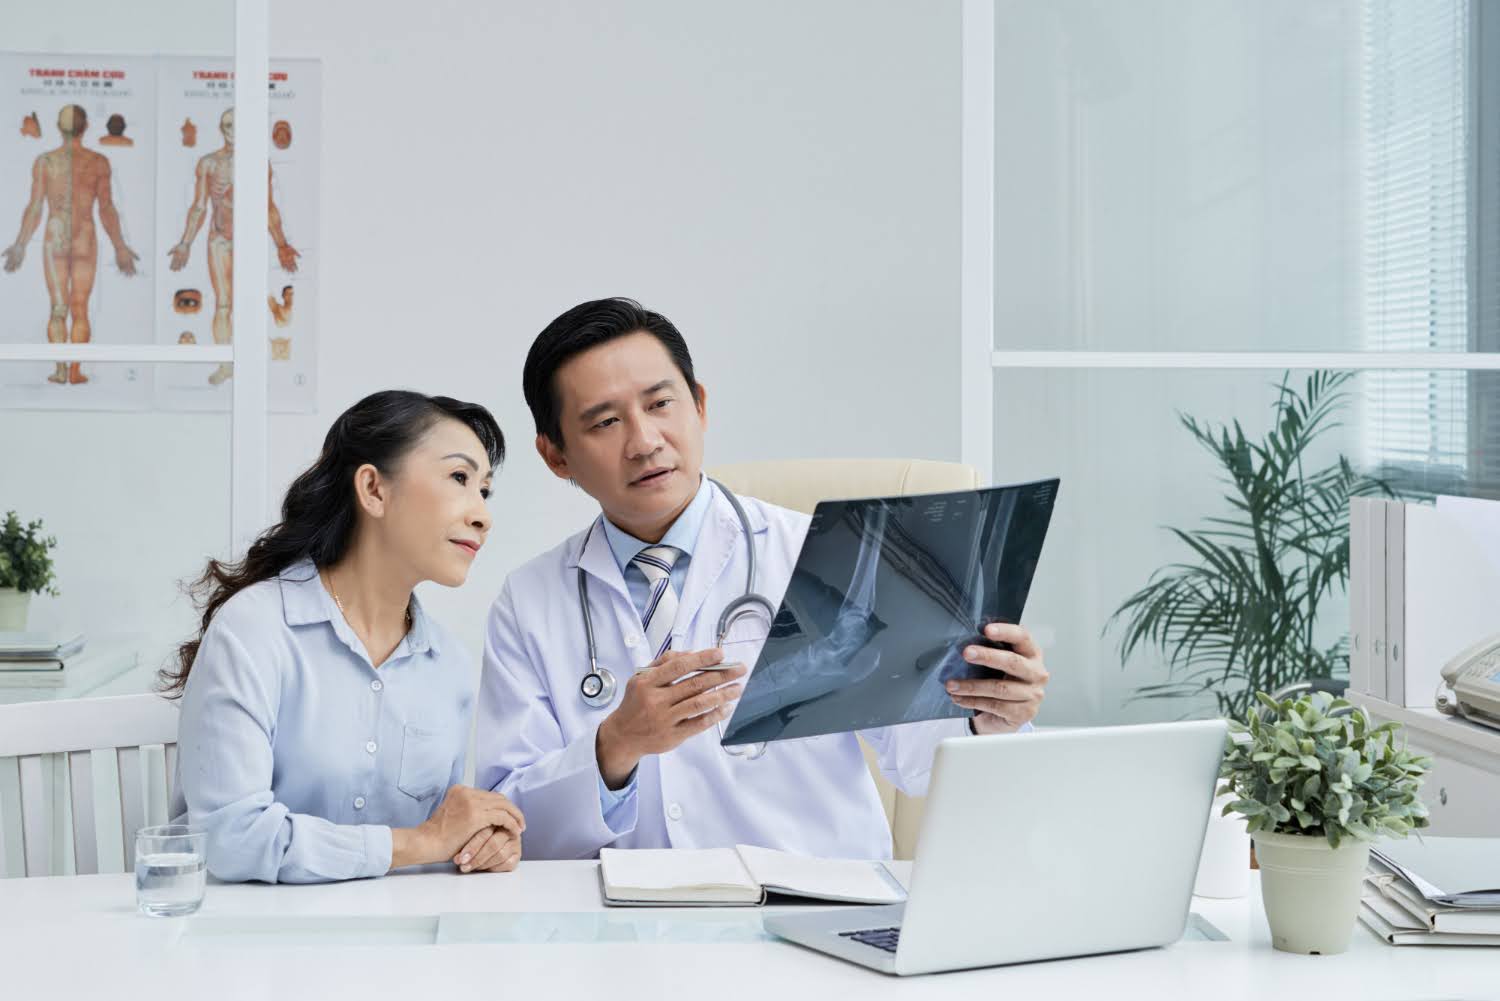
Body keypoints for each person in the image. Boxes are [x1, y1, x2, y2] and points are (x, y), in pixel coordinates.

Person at [476, 298, 1049, 860]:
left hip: (812, 901)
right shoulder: (529, 601)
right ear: (556, 456)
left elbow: (923, 760)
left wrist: (991, 714)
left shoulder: (828, 556)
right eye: (606, 422)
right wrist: (616, 744)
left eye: (660, 404)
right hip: (620, 912)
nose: (644, 441)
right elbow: (508, 823)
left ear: (699, 405)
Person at [166, 390, 525, 883]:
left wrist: (479, 843)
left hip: (398, 926)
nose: (482, 515)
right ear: (374, 489)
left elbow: (440, 839)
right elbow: (230, 838)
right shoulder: (253, 629)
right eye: (459, 478)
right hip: (249, 927)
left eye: (484, 491)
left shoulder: (450, 665)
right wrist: (423, 842)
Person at [2, 105, 139, 385]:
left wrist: (20, 244)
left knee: (58, 307)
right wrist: (120, 247)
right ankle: (75, 370)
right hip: (84, 237)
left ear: (57, 126)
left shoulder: (45, 161)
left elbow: (35, 207)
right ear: (85, 127)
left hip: (55, 237)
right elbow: (106, 208)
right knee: (79, 308)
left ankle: (60, 370)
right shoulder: (98, 162)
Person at [167, 107, 300, 385]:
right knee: (223, 303)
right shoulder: (208, 163)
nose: (233, 131)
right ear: (221, 128)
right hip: (219, 238)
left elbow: (267, 207)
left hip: (248, 240)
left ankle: (250, 369)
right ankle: (226, 365)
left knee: (249, 302)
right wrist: (185, 243)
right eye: (228, 125)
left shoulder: (258, 163)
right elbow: (199, 207)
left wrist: (281, 245)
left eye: (237, 125)